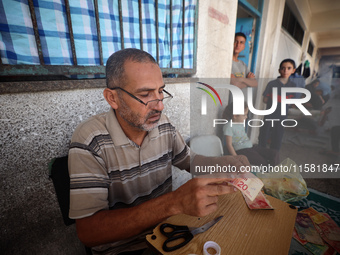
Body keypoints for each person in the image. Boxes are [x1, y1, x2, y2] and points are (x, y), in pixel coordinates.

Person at [68, 48, 250, 255]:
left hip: (168, 232)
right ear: (112, 98)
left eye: (161, 91)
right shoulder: (90, 140)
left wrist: (225, 163)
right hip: (124, 248)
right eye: (145, 94)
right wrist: (173, 203)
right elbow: (89, 232)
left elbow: (189, 161)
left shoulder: (162, 124)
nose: (160, 106)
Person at [258, 58, 297, 151]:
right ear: (279, 70)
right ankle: (260, 156)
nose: (285, 70)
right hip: (269, 115)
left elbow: (291, 102)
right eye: (283, 68)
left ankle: (273, 158)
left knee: (277, 137)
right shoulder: (272, 84)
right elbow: (265, 99)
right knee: (264, 135)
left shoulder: (293, 86)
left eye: (289, 68)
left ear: (293, 70)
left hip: (282, 116)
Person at [230, 32, 258, 101]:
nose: (238, 45)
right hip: (229, 103)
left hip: (242, 102)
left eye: (241, 42)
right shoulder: (227, 62)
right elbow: (235, 84)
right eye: (236, 41)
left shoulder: (243, 64)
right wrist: (248, 81)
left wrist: (241, 80)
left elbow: (255, 83)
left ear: (244, 47)